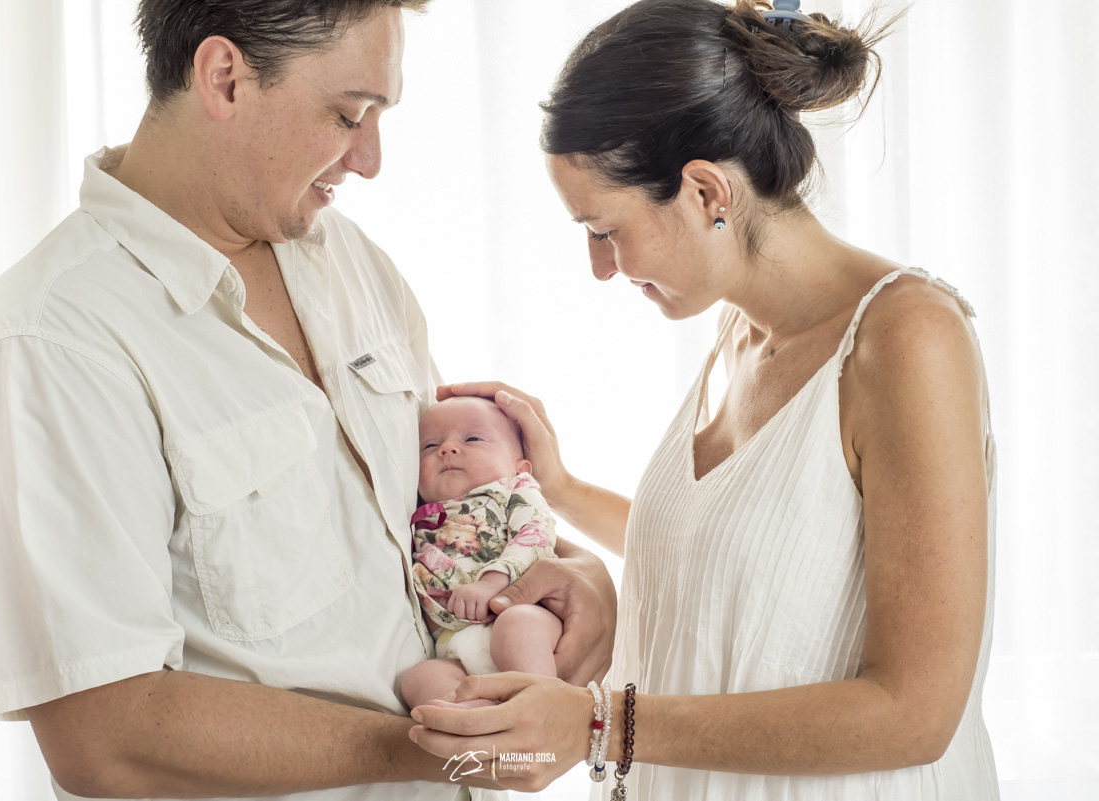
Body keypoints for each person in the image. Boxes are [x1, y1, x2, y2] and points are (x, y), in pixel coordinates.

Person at [0, 2, 616, 799]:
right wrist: (439, 745)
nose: (369, 159)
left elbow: (435, 510)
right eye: (348, 114)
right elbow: (106, 736)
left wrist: (574, 570)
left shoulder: (350, 261)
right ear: (224, 78)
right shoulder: (48, 347)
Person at [408, 1, 1000, 799]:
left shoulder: (907, 338)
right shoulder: (738, 334)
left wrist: (596, 723)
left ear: (707, 191)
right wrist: (559, 490)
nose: (601, 267)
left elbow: (916, 711)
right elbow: (752, 563)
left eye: (604, 228)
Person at [402, 397, 563, 708]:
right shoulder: (420, 516)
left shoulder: (514, 491)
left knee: (516, 627)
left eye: (472, 438)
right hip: (455, 647)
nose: (447, 449)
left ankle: (540, 707)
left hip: (522, 615)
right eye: (429, 446)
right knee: (419, 679)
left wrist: (490, 583)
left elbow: (536, 536)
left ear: (521, 467)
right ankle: (477, 716)